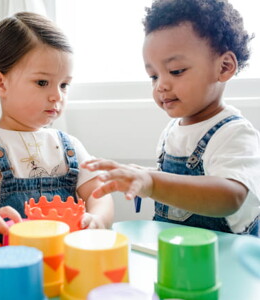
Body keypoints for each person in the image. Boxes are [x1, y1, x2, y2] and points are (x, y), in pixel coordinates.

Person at [82, 0, 260, 236]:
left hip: (227, 257)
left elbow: (231, 196)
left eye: (176, 71)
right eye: (153, 76)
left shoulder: (234, 133)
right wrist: (143, 175)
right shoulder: (172, 130)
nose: (161, 85)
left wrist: (153, 182)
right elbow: (175, 186)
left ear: (224, 67)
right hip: (179, 251)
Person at [0, 12, 113, 262]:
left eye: (64, 85)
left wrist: (98, 219)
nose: (57, 96)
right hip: (10, 280)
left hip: (68, 271)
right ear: (0, 83)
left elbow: (98, 193)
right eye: (42, 82)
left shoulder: (69, 147)